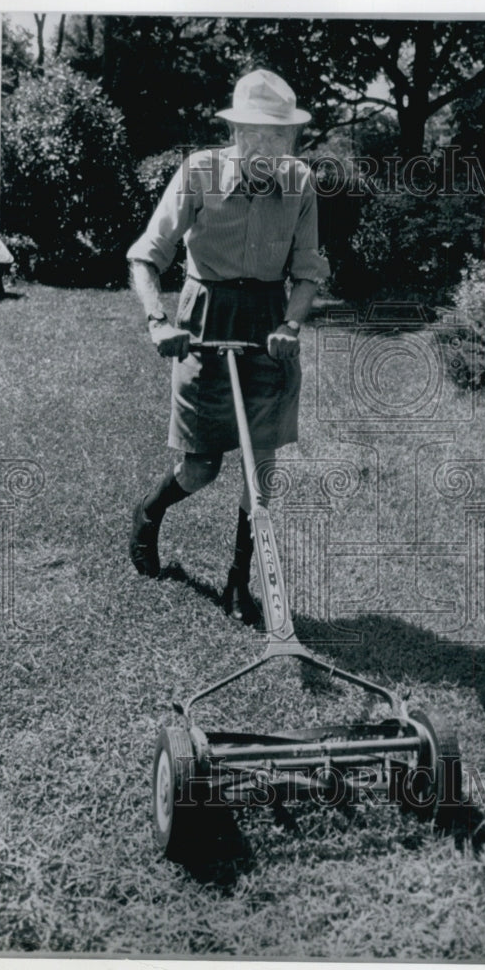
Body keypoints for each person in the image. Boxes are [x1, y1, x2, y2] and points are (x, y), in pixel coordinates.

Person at [127, 68, 330, 623]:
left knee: (259, 473)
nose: (266, 147)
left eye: (278, 135)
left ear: (292, 138)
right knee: (201, 467)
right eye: (253, 133)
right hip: (204, 318)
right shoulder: (199, 173)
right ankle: (149, 514)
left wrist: (290, 323)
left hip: (268, 324)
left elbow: (308, 269)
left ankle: (239, 583)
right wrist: (156, 321)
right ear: (235, 132)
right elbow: (146, 255)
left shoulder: (300, 183)